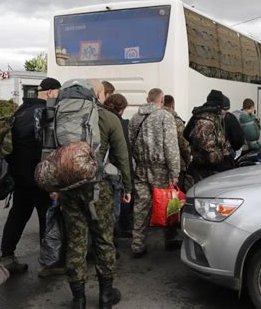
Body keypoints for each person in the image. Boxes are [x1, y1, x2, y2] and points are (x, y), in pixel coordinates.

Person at [59, 80, 132, 309]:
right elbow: (121, 157)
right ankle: (105, 296)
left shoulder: (58, 115)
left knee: (76, 241)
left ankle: (78, 299)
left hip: (69, 188)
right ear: (97, 95)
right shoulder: (108, 118)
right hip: (99, 188)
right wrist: (127, 187)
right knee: (104, 239)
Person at [0, 77, 63, 276]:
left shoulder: (20, 110)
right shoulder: (45, 112)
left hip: (19, 175)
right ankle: (48, 264)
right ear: (52, 92)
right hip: (39, 176)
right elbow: (44, 147)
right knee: (47, 217)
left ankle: (6, 257)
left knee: (18, 215)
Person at [129, 88, 180, 258]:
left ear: (147, 99)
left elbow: (131, 142)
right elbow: (171, 147)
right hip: (161, 168)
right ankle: (170, 239)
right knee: (167, 204)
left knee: (141, 205)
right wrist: (175, 171)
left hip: (142, 167)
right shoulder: (166, 117)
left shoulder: (136, 118)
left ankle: (137, 244)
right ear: (162, 99)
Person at [184, 90, 235, 183]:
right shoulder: (207, 119)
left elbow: (186, 134)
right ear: (219, 105)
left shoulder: (202, 116)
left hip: (205, 165)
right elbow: (207, 149)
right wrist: (223, 160)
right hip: (208, 169)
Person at [104, 93, 134, 237]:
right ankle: (117, 235)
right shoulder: (121, 124)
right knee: (113, 211)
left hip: (97, 171)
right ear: (122, 109)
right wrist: (128, 186)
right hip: (114, 173)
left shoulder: (98, 118)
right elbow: (124, 156)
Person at [163, 95, 191, 190]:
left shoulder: (153, 118)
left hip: (158, 167)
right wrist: (187, 161)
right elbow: (184, 145)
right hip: (177, 165)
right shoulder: (176, 121)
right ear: (173, 105)